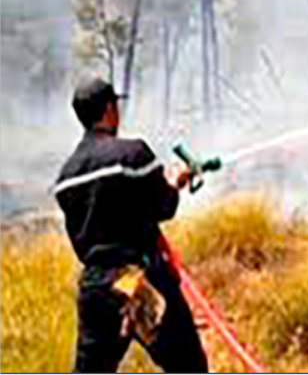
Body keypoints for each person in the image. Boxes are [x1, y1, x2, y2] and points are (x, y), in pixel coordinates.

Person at [53, 76, 208, 373]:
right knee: (188, 366)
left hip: (96, 287)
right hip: (139, 281)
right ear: (110, 109)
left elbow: (79, 241)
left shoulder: (65, 178)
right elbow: (165, 206)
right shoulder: (131, 153)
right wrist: (175, 182)